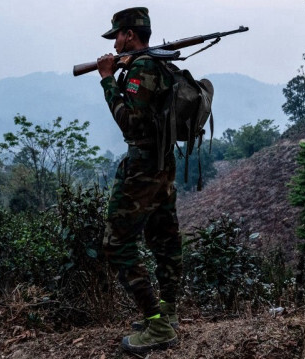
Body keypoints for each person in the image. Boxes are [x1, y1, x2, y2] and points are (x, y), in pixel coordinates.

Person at [96, 7, 182, 354]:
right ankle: (169, 312)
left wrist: (106, 79)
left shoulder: (143, 67)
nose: (115, 43)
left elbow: (130, 124)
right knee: (164, 236)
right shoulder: (155, 63)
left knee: (117, 243)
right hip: (162, 164)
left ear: (129, 35)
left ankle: (158, 325)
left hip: (144, 167)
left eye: (117, 36)